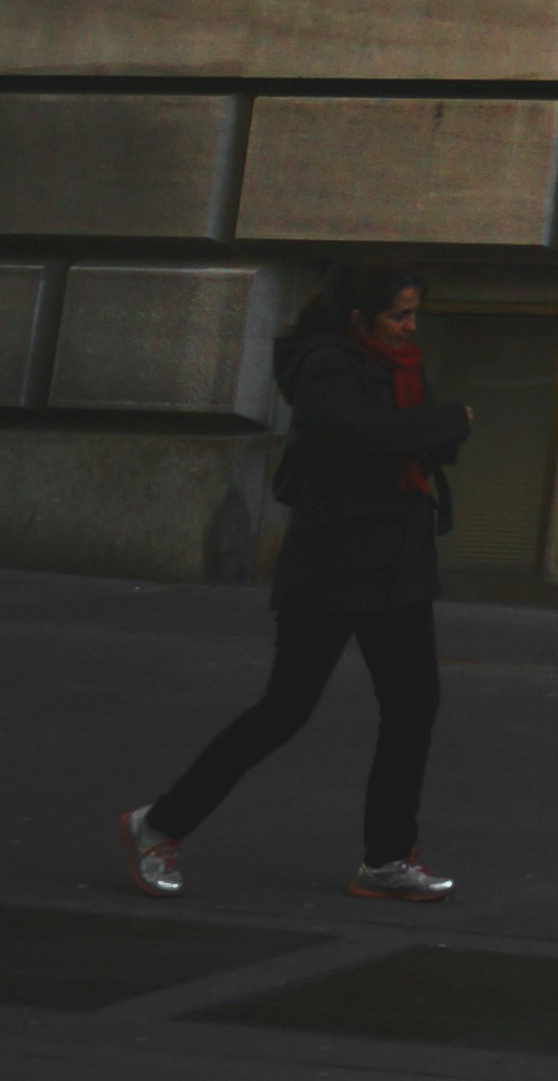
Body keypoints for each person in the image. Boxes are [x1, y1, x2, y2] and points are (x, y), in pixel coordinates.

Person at [124, 262, 465, 906]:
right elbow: (362, 437)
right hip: (334, 561)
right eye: (400, 314)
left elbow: (406, 443)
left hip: (395, 558)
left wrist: (434, 429)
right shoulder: (324, 364)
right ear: (359, 317)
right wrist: (449, 419)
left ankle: (388, 858)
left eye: (416, 313)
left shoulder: (399, 364)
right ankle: (159, 825)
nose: (411, 327)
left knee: (414, 705)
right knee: (284, 709)